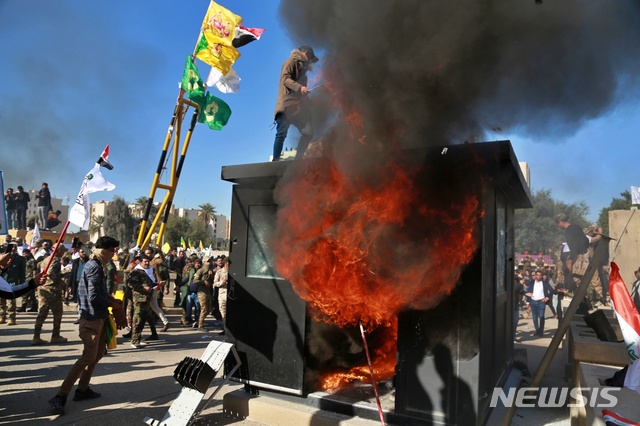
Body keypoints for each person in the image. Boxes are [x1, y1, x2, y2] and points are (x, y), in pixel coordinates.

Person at [48, 236, 126, 416]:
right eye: (113, 250)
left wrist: (112, 300)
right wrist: (114, 305)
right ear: (105, 250)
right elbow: (93, 297)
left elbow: (100, 293)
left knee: (97, 354)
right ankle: (60, 396)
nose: (114, 254)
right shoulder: (94, 267)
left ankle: (82, 390)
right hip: (91, 319)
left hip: (97, 317)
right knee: (87, 357)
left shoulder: (96, 266)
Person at [271, 45, 319, 161]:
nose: (311, 61)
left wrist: (308, 100)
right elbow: (285, 79)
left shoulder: (304, 74)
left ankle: (298, 160)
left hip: (297, 108)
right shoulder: (291, 62)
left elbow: (301, 92)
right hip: (286, 106)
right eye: (311, 57)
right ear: (306, 53)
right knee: (281, 134)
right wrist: (300, 87)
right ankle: (275, 161)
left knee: (308, 132)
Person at [555, 213, 604, 306]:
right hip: (585, 257)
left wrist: (570, 260)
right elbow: (585, 241)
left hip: (578, 259)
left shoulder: (569, 231)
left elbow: (574, 246)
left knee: (577, 280)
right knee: (588, 280)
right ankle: (594, 299)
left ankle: (584, 301)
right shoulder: (577, 227)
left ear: (560, 222)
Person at [32, 246, 67, 344]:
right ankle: (55, 336)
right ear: (59, 250)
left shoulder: (46, 259)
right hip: (52, 289)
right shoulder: (55, 260)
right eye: (63, 251)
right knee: (57, 313)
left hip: (43, 288)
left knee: (42, 313)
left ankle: (36, 336)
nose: (63, 253)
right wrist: (60, 281)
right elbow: (50, 272)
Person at [127, 254, 159, 348]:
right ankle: (134, 341)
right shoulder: (136, 272)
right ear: (140, 262)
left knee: (143, 320)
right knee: (137, 320)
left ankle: (138, 339)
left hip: (146, 300)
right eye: (145, 261)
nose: (147, 263)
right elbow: (129, 283)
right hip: (139, 300)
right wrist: (143, 288)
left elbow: (148, 283)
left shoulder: (144, 272)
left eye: (148, 261)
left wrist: (156, 284)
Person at [0, 242, 26, 325]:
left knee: (10, 301)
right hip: (2, 280)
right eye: (11, 247)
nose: (13, 248)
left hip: (12, 281)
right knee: (1, 300)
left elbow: (22, 273)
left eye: (15, 247)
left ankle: (11, 318)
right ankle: (2, 317)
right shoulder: (2, 257)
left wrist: (22, 284)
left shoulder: (20, 259)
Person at [525, 270, 554, 337]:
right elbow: (529, 292)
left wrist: (547, 297)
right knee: (534, 318)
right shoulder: (531, 283)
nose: (539, 276)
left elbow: (551, 290)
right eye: (537, 275)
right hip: (533, 302)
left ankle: (541, 331)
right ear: (535, 276)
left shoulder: (544, 283)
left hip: (541, 302)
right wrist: (527, 302)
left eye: (540, 275)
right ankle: (537, 330)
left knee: (541, 317)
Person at [213, 257, 230, 331]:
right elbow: (215, 283)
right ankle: (224, 328)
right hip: (222, 295)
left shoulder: (233, 273)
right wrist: (222, 282)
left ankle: (228, 330)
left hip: (230, 295)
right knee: (223, 313)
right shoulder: (219, 272)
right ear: (225, 263)